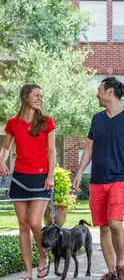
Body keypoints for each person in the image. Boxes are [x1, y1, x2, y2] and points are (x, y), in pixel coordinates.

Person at [73, 77, 124, 280]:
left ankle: (121, 264)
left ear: (110, 91)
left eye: (99, 90)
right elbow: (89, 148)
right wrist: (79, 172)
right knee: (103, 227)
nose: (97, 94)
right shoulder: (97, 119)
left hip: (120, 178)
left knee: (114, 222)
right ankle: (112, 271)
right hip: (97, 180)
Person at [0, 84, 56, 280]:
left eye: (41, 95)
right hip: (20, 178)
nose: (40, 98)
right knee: (22, 225)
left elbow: (51, 152)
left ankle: (43, 257)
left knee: (34, 222)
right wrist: (1, 161)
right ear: (25, 97)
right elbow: (6, 148)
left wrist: (50, 176)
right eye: (36, 95)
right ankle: (27, 271)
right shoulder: (13, 123)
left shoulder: (47, 121)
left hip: (40, 178)